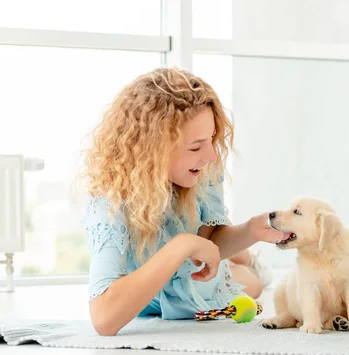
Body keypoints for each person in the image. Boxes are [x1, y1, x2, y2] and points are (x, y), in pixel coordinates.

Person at [81, 67, 285, 336]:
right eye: (195, 146)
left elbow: (207, 245)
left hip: (190, 280)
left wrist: (250, 231)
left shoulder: (203, 170)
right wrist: (182, 245)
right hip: (149, 292)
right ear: (153, 148)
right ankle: (244, 258)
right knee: (248, 281)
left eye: (211, 140)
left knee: (254, 282)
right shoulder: (111, 196)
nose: (211, 155)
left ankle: (246, 257)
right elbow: (104, 318)